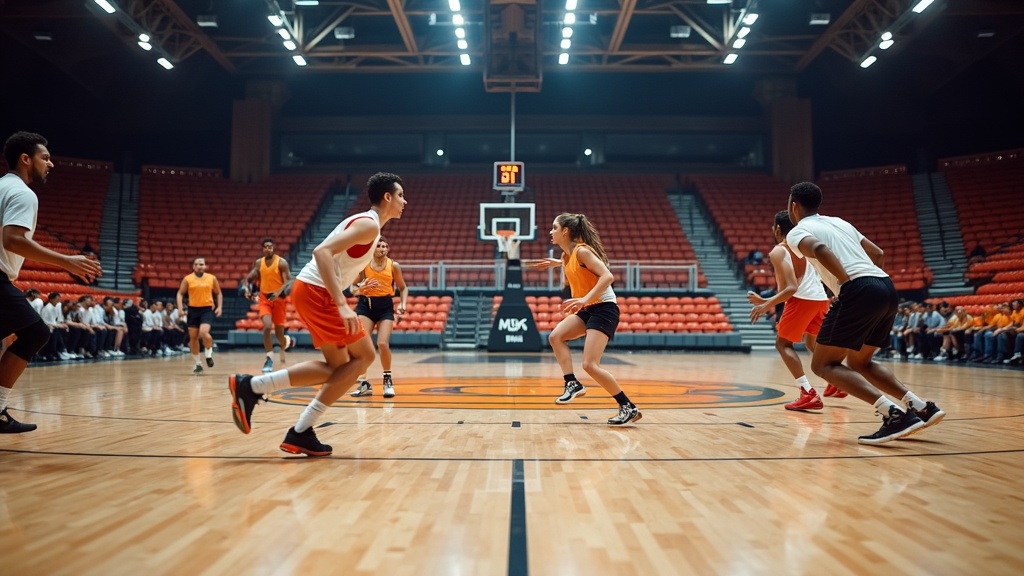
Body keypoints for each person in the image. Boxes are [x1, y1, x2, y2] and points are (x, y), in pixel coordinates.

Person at [228, 172, 407, 456]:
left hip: (309, 290)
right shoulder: (369, 226)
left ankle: (257, 390)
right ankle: (293, 422)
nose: (404, 201)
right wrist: (341, 303)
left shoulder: (367, 225)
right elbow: (321, 252)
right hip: (316, 291)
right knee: (365, 357)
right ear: (387, 197)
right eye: (400, 195)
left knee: (340, 368)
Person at [785, 182, 944, 444]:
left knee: (823, 365)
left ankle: (893, 415)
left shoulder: (798, 231)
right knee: (861, 362)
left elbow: (820, 250)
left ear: (793, 206)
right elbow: (877, 253)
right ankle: (921, 408)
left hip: (858, 288)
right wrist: (863, 281)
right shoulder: (839, 222)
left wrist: (846, 284)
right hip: (885, 286)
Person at [1, 131, 102, 433]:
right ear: (25, 159)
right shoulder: (22, 193)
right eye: (45, 157)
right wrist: (67, 261)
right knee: (36, 333)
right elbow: (13, 239)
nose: (50, 163)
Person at [526, 213, 641, 426]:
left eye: (554, 228)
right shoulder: (567, 255)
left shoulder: (583, 251)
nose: (550, 232)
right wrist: (555, 263)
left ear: (565, 231)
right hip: (588, 307)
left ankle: (628, 406)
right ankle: (572, 384)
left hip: (604, 308)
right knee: (556, 337)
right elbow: (572, 266)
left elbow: (608, 276)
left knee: (589, 365)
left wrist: (584, 299)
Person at [748, 210, 840, 411]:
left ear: (778, 229)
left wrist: (765, 305)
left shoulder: (779, 251)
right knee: (811, 341)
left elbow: (791, 289)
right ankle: (836, 379)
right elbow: (794, 285)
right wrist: (767, 299)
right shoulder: (806, 244)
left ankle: (808, 392)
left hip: (802, 300)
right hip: (820, 299)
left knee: (783, 344)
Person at [349, 236, 409, 399]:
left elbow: (403, 288)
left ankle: (387, 379)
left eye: (385, 246)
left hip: (384, 306)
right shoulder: (364, 264)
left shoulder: (393, 266)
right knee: (363, 344)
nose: (382, 248)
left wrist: (403, 304)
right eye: (379, 245)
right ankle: (364, 384)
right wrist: (360, 288)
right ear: (373, 248)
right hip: (365, 305)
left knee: (382, 343)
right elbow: (352, 287)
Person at [243, 237, 294, 373]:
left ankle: (287, 341)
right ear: (262, 249)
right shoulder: (259, 263)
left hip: (279, 300)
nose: (268, 249)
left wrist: (278, 292)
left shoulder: (281, 262)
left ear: (273, 248)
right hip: (264, 298)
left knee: (279, 336)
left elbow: (289, 281)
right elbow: (248, 278)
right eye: (265, 246)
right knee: (266, 326)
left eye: (270, 246)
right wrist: (247, 289)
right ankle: (269, 357)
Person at [177, 257, 222, 374]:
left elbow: (218, 293)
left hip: (207, 309)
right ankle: (198, 363)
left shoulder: (211, 278)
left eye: (202, 264)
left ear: (205, 266)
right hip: (192, 310)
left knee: (203, 333)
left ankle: (208, 354)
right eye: (197, 264)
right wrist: (180, 308)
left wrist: (219, 307)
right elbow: (180, 294)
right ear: (193, 266)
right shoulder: (187, 279)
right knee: (193, 337)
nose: (200, 266)